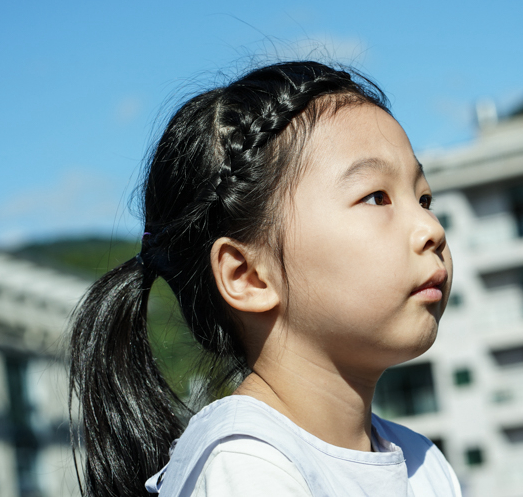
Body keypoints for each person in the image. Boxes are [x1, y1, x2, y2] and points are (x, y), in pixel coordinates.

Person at [69, 60, 459, 497]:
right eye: (376, 197)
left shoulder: (422, 463)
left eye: (424, 198)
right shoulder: (244, 467)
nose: (432, 229)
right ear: (248, 276)